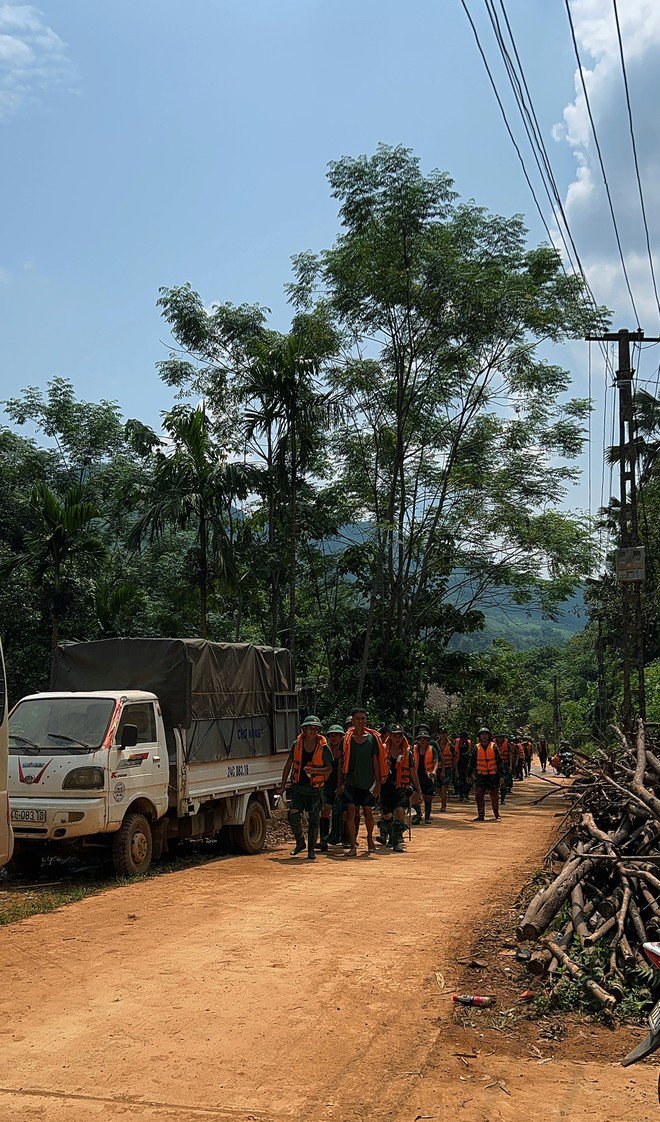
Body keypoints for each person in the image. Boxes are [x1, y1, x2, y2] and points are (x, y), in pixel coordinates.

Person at [279, 716, 332, 860]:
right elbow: (288, 765)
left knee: (314, 820)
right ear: (305, 729)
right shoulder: (296, 745)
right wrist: (283, 786)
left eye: (316, 728)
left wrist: (314, 771)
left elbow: (329, 769)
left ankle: (311, 851)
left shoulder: (323, 747)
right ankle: (300, 842)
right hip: (298, 788)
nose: (313, 731)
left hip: (314, 789)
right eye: (311, 728)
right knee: (293, 815)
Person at [338, 708, 383, 857]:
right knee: (351, 813)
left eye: (363, 718)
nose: (361, 721)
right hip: (351, 782)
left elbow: (376, 762)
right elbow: (341, 762)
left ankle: (370, 838)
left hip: (368, 783)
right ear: (352, 721)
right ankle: (353, 846)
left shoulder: (371, 739)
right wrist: (340, 784)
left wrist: (378, 784)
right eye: (358, 719)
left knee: (368, 813)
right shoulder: (347, 739)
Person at [378, 725, 423, 851]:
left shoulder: (407, 753)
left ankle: (397, 840)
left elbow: (413, 772)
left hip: (401, 786)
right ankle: (390, 834)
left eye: (400, 735)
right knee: (386, 814)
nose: (397, 738)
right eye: (394, 735)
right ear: (390, 736)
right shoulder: (383, 750)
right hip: (386, 786)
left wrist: (418, 791)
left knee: (400, 811)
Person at [467, 726, 504, 822]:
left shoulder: (494, 747)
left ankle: (496, 813)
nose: (484, 736)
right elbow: (471, 763)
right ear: (479, 736)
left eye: (486, 734)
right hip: (481, 776)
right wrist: (468, 775)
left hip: (493, 775)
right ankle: (481, 815)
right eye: (482, 734)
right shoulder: (476, 748)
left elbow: (499, 762)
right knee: (479, 795)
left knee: (494, 795)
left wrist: (501, 776)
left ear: (489, 736)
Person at [320, 725, 344, 849]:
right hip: (327, 785)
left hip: (343, 785)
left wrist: (342, 786)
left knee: (345, 813)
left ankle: (347, 838)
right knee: (325, 811)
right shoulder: (324, 750)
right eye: (332, 735)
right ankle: (323, 840)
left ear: (341, 737)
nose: (334, 737)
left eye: (337, 735)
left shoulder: (345, 751)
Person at [412, 726, 439, 824]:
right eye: (421, 739)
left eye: (425, 740)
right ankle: (418, 814)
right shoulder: (413, 749)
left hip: (428, 777)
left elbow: (436, 761)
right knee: (414, 796)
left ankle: (427, 816)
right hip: (416, 777)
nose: (422, 741)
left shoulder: (432, 750)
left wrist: (434, 771)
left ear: (428, 741)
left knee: (428, 798)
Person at [436, 727, 456, 813]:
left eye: (444, 733)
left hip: (447, 768)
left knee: (444, 786)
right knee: (438, 789)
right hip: (437, 769)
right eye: (441, 733)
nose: (443, 735)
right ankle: (443, 799)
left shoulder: (451, 746)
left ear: (447, 734)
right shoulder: (435, 745)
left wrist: (455, 771)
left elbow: (454, 759)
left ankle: (443, 805)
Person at [494, 733, 512, 805]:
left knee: (504, 783)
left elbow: (510, 756)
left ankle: (502, 799)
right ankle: (495, 798)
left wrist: (510, 766)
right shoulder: (493, 744)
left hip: (505, 765)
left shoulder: (507, 744)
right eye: (498, 737)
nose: (500, 739)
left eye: (501, 737)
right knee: (495, 783)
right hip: (494, 765)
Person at [454, 730, 472, 801]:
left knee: (468, 779)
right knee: (460, 779)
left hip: (467, 764)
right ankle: (461, 795)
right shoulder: (456, 743)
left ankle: (466, 794)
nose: (463, 739)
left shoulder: (468, 744)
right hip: (459, 764)